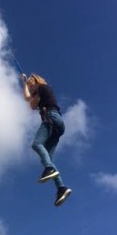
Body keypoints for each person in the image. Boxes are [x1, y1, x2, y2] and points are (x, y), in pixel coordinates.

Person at [21, 73, 72, 206]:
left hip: (51, 117)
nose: (31, 89)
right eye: (30, 87)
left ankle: (50, 168)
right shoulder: (41, 92)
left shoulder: (43, 88)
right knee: (47, 159)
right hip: (58, 124)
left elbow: (31, 104)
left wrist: (28, 86)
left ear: (37, 82)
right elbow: (28, 98)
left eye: (32, 85)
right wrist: (24, 84)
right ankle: (61, 188)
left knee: (37, 144)